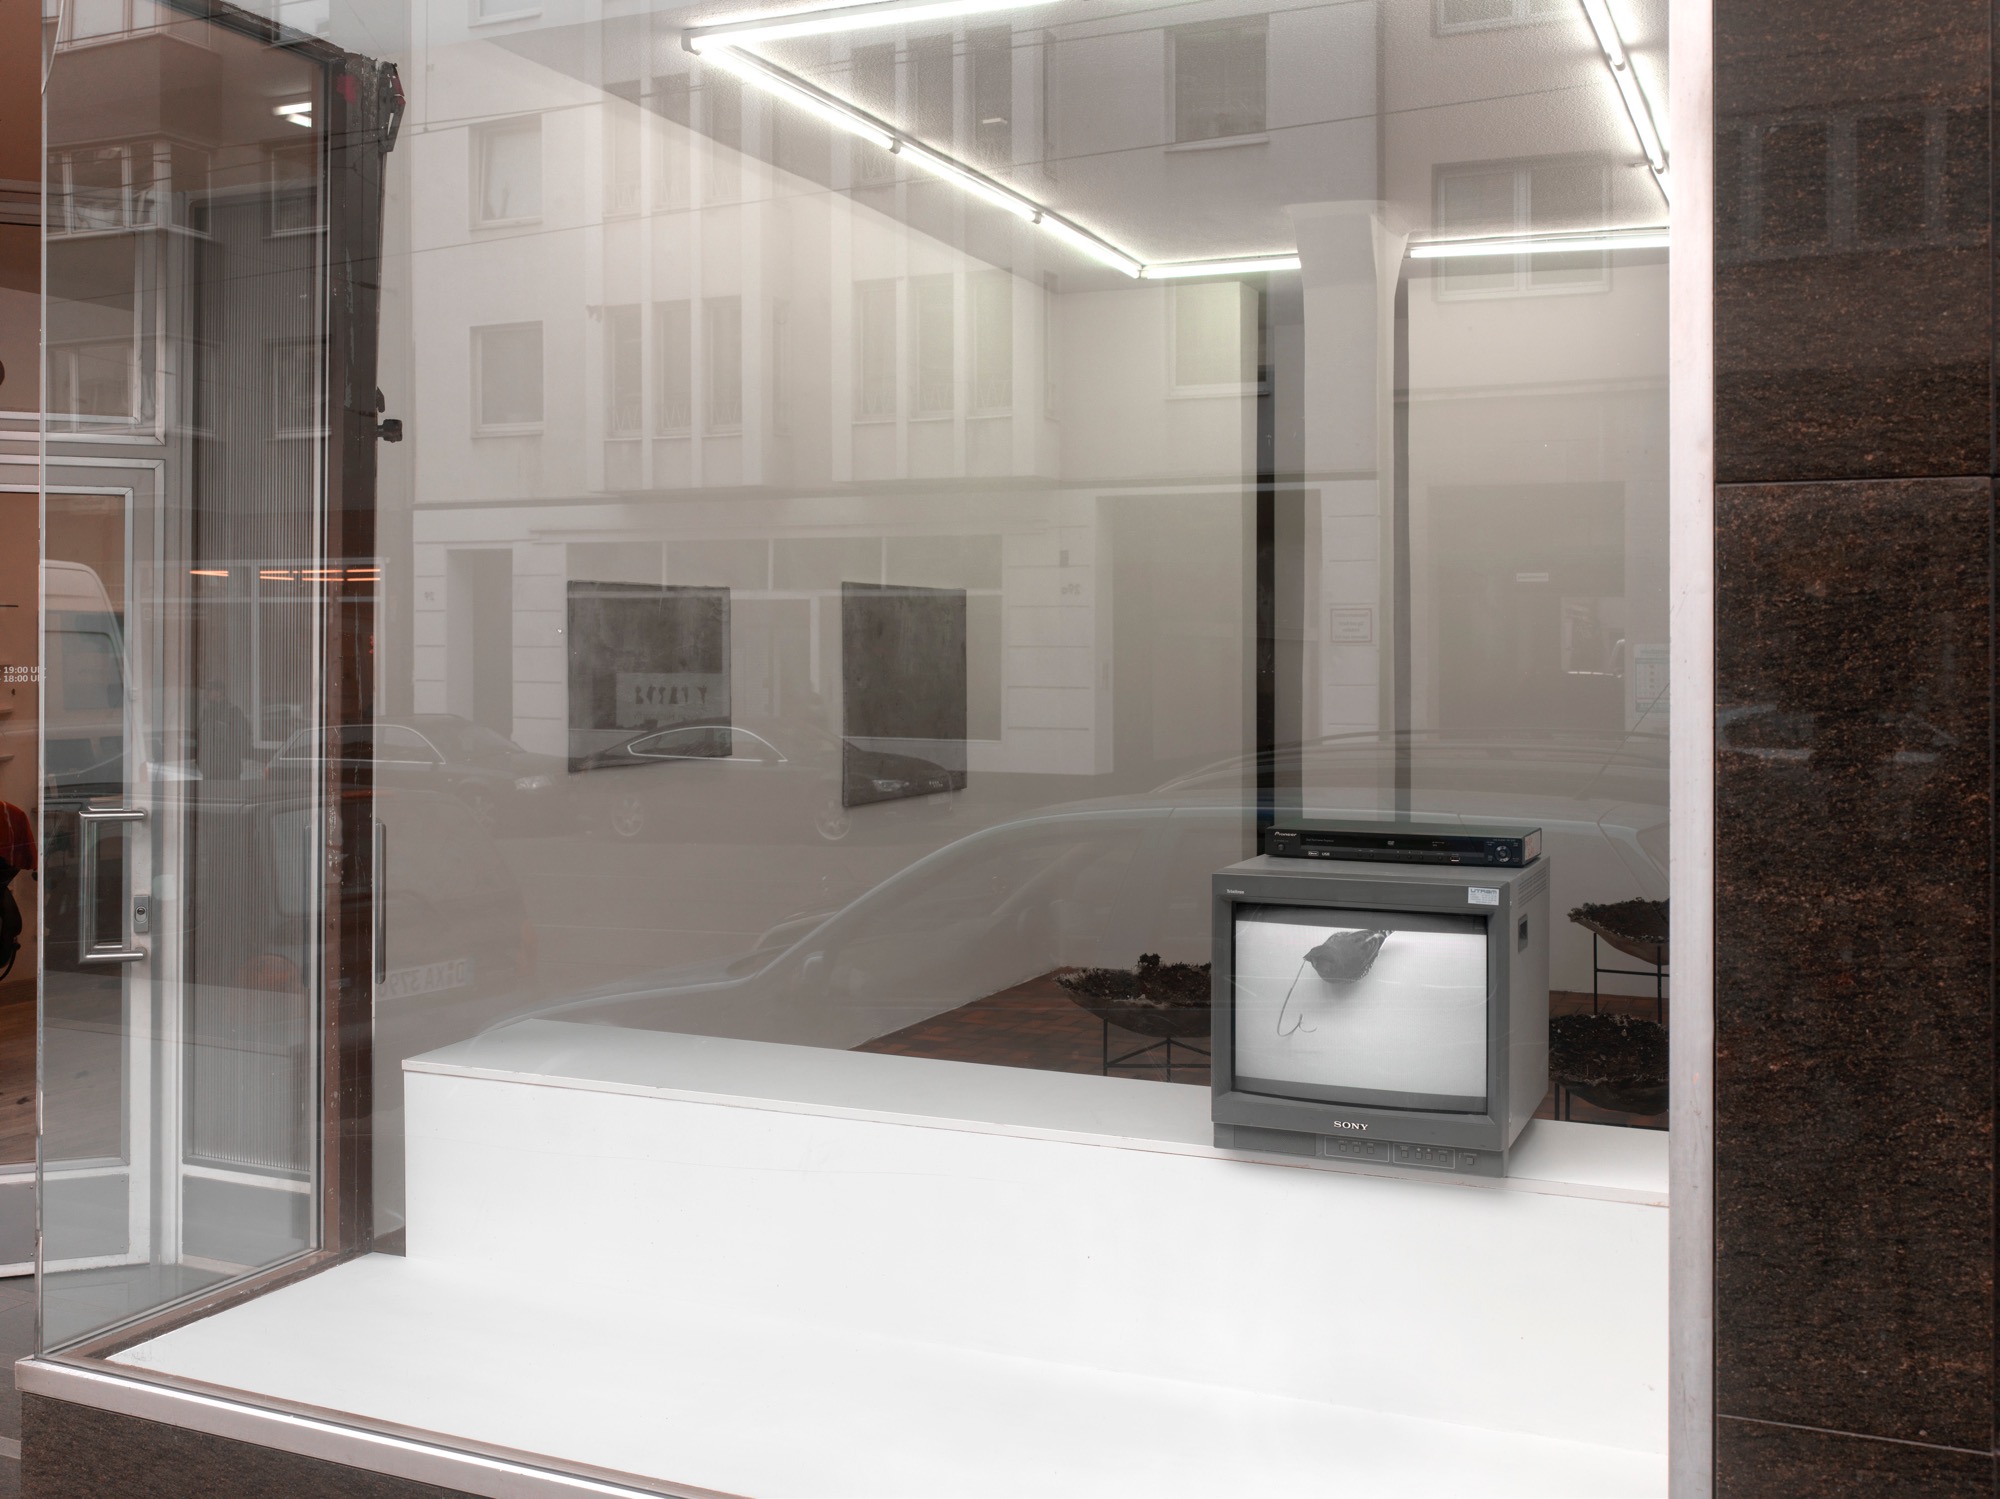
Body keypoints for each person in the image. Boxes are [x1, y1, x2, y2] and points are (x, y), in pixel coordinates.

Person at [197, 680, 253, 781]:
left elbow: (243, 738)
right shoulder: (207, 712)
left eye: (210, 691)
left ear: (219, 692)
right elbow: (201, 736)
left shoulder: (234, 712)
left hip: (228, 767)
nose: (207, 695)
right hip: (210, 767)